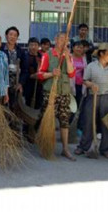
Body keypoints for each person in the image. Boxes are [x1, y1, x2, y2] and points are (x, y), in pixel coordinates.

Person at [75, 43, 108, 159]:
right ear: (101, 53)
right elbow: (85, 81)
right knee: (88, 122)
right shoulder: (91, 66)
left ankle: (105, 149)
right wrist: (91, 84)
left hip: (107, 97)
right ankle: (83, 146)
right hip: (92, 96)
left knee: (106, 123)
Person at [38, 32, 76, 160]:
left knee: (65, 121)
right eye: (61, 39)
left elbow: (71, 74)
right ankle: (47, 147)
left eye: (66, 40)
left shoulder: (69, 56)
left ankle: (65, 149)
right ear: (55, 40)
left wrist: (66, 57)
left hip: (64, 92)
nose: (63, 42)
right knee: (49, 120)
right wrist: (51, 74)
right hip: (50, 93)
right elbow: (40, 74)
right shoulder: (47, 55)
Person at [0, 26, 28, 110]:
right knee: (2, 105)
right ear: (6, 36)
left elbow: (25, 70)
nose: (12, 37)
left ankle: (12, 122)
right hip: (2, 82)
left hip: (15, 82)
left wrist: (20, 83)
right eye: (10, 34)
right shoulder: (0, 49)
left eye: (15, 35)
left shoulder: (21, 51)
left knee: (14, 106)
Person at [25, 37, 43, 110]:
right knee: (27, 102)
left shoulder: (42, 57)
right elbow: (23, 70)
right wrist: (31, 76)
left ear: (38, 46)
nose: (33, 47)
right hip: (28, 83)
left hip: (39, 84)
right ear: (28, 46)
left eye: (35, 45)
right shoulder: (25, 56)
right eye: (31, 45)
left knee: (38, 103)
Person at [71, 41, 87, 107]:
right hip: (70, 83)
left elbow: (85, 70)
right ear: (73, 48)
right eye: (77, 47)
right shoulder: (69, 57)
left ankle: (77, 117)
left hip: (80, 84)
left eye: (81, 48)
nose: (79, 49)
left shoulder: (83, 58)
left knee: (78, 104)